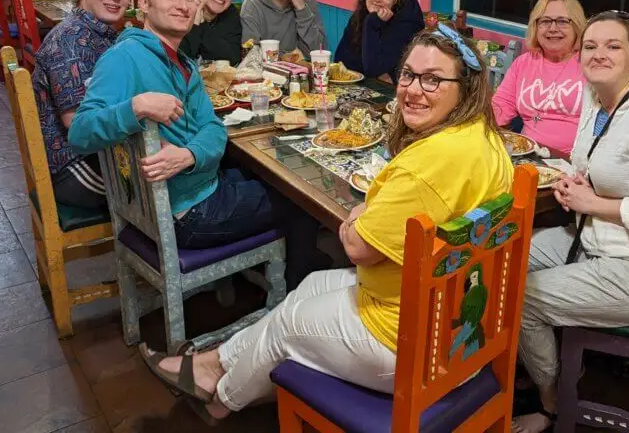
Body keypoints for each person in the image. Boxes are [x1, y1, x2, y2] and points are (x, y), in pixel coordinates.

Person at [139, 27, 514, 422]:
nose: (412, 90)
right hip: (465, 326)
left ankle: (220, 399)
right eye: (408, 74)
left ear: (466, 87)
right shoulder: (484, 140)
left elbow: (357, 247)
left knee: (288, 325)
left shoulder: (428, 167)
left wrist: (357, 217)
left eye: (433, 79)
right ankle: (214, 361)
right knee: (312, 285)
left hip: (419, 350)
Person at [68, 0, 320, 284]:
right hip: (188, 213)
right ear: (143, 4)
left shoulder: (183, 63)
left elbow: (214, 129)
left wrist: (188, 156)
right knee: (303, 199)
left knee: (272, 178)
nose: (182, 5)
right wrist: (137, 106)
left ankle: (269, 271)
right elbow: (80, 132)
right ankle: (294, 299)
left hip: (199, 189)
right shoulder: (125, 57)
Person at [511, 11, 629, 433]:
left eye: (613, 46)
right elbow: (600, 170)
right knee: (505, 256)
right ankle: (534, 360)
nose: (599, 54)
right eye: (591, 46)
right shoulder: (596, 99)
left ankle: (551, 402)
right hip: (599, 240)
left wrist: (591, 203)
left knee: (522, 296)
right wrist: (577, 186)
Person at [32, 0, 137, 209]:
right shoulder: (71, 41)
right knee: (168, 186)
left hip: (99, 153)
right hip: (73, 167)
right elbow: (77, 122)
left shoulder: (100, 33)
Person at [492, 0, 588, 157]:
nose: (553, 28)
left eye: (562, 21)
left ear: (577, 25)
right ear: (535, 26)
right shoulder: (523, 63)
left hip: (575, 161)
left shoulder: (589, 64)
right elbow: (500, 107)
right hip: (526, 154)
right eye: (545, 21)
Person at [334, 0, 424, 82]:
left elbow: (373, 69)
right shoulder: (359, 16)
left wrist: (371, 23)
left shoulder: (406, 23)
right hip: (359, 87)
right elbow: (341, 61)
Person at [180, 0, 242, 64]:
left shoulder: (230, 13)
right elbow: (182, 57)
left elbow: (233, 58)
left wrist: (202, 24)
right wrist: (195, 24)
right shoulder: (183, 9)